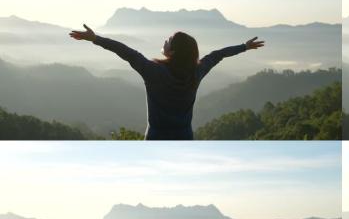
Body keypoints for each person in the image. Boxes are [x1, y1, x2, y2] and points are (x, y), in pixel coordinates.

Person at [69, 24, 264, 140]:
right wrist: (244, 47)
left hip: (155, 136)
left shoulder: (153, 72)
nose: (165, 41)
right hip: (185, 136)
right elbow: (217, 55)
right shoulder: (196, 72)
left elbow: (126, 52)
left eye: (168, 40)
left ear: (173, 51)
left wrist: (95, 39)